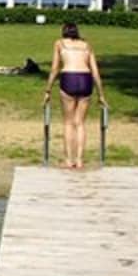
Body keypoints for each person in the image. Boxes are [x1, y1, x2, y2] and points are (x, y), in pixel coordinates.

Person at [43, 22, 108, 169]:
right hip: (86, 79)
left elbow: (54, 68)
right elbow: (96, 72)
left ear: (63, 32)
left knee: (68, 122)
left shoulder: (59, 44)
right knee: (80, 123)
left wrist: (48, 90)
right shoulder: (86, 45)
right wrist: (101, 94)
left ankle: (68, 159)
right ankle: (79, 160)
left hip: (69, 78)